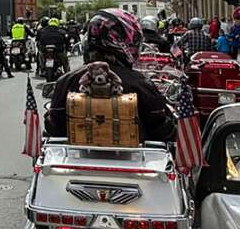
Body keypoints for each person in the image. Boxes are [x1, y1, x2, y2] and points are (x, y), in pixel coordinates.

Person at [45, 9, 177, 146]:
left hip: (76, 162)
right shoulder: (141, 83)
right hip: (130, 162)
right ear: (122, 40)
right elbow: (163, 131)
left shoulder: (66, 80)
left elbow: (53, 128)